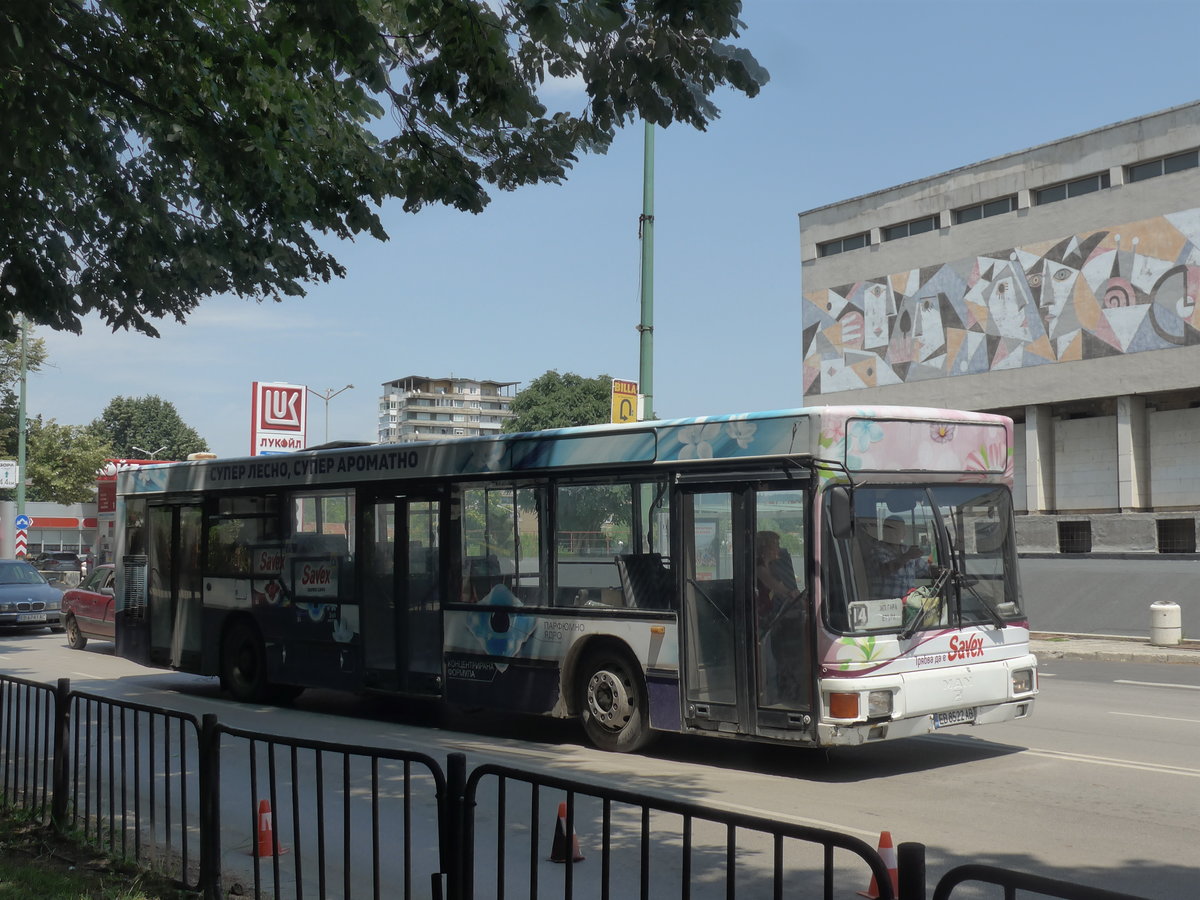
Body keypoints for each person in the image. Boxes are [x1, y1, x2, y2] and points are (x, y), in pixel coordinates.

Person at [866, 516, 932, 598]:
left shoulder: (907, 549)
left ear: (903, 533)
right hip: (884, 606)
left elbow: (927, 570)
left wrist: (943, 571)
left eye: (897, 530)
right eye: (890, 529)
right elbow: (884, 569)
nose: (893, 533)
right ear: (883, 531)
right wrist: (907, 556)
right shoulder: (876, 550)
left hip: (909, 605)